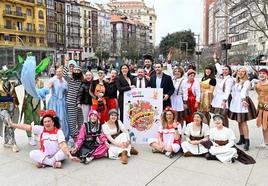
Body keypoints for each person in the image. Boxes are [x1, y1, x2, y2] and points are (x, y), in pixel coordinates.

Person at [10, 109, 79, 168]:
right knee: (32, 153)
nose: (46, 123)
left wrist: (70, 156)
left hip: (57, 154)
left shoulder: (59, 131)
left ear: (53, 122)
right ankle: (52, 163)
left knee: (63, 152)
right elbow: (27, 127)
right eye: (45, 122)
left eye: (49, 121)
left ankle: (45, 163)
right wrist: (13, 125)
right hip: (45, 154)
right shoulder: (41, 129)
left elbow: (63, 145)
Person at [228, 67, 257, 151]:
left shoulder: (247, 81)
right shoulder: (235, 80)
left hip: (243, 102)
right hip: (236, 103)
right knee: (239, 121)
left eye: (243, 72)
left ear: (245, 73)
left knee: (243, 122)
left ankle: (247, 141)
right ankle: (242, 138)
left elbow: (243, 91)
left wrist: (244, 100)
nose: (240, 73)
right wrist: (216, 61)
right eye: (239, 71)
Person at [63, 60, 83, 140]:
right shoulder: (69, 79)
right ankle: (74, 135)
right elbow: (64, 74)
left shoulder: (81, 80)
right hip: (70, 102)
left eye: (78, 70)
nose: (76, 71)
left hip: (79, 103)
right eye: (75, 70)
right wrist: (67, 65)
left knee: (80, 119)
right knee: (72, 120)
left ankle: (81, 134)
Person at [48, 67, 69, 140]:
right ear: (55, 72)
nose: (59, 73)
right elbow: (48, 88)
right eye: (57, 71)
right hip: (54, 102)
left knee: (62, 118)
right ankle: (52, 134)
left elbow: (66, 93)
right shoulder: (53, 80)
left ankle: (61, 135)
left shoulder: (65, 82)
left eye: (60, 71)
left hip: (62, 102)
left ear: (62, 72)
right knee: (54, 118)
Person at [255, 69, 268, 149]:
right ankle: (265, 143)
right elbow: (258, 94)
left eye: (263, 73)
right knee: (264, 124)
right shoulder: (257, 85)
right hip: (261, 106)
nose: (262, 75)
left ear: (267, 75)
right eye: (260, 73)